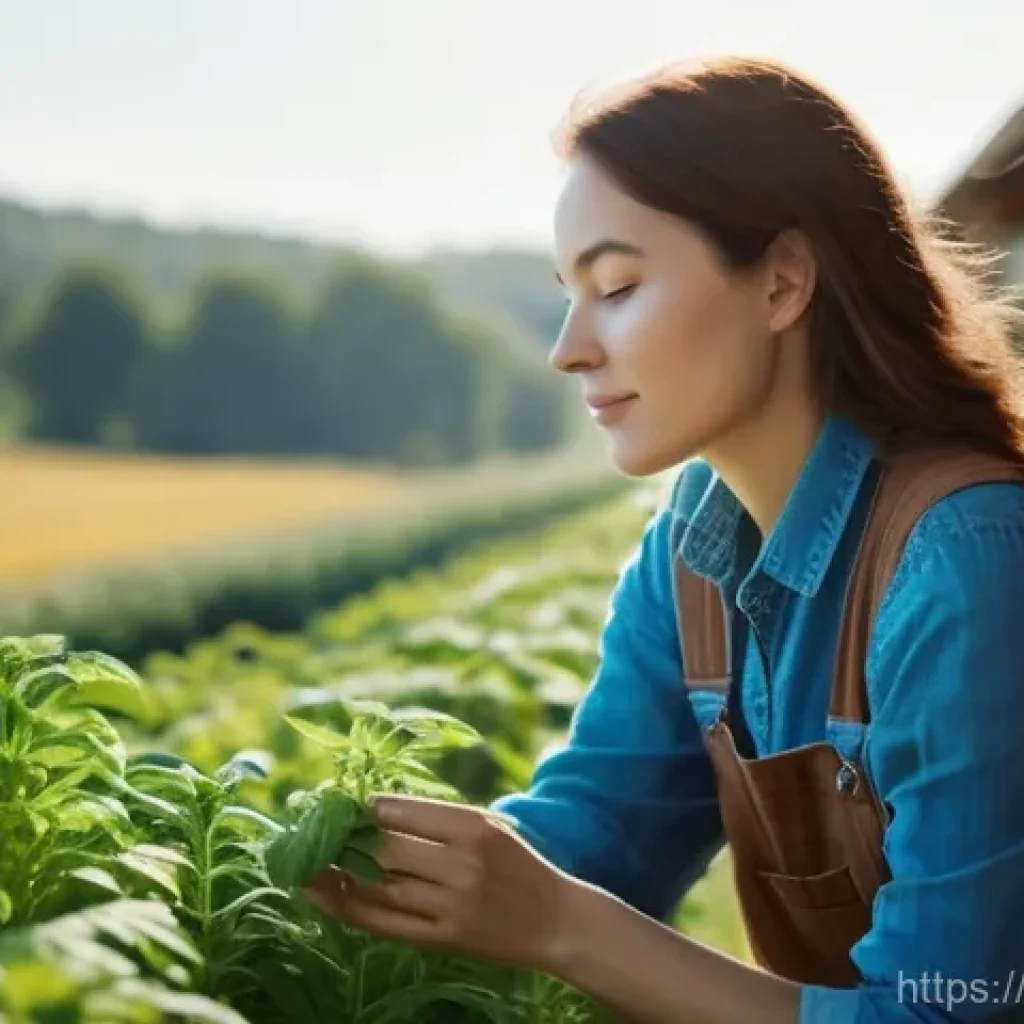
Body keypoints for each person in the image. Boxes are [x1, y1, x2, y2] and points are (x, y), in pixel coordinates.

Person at [305, 55, 1024, 1023]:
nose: (568, 347)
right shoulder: (692, 542)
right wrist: (325, 868)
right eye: (568, 291)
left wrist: (560, 922)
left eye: (616, 285)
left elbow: (947, 1013)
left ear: (781, 281)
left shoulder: (965, 559)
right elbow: (597, 832)